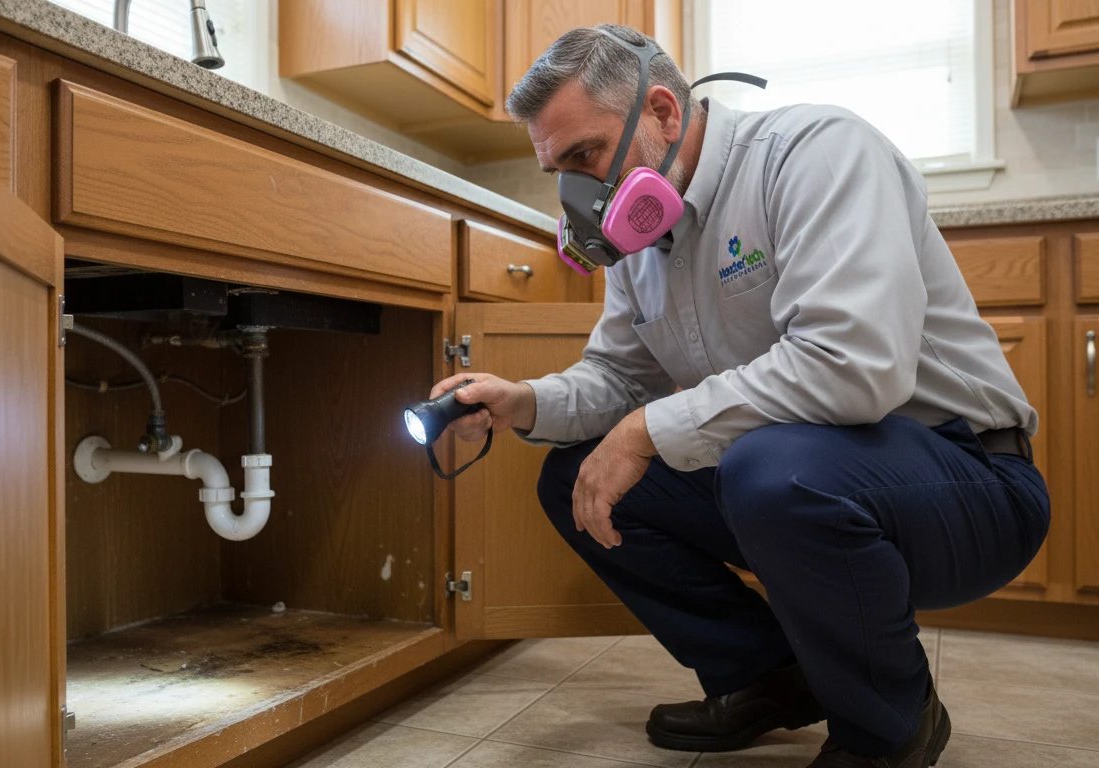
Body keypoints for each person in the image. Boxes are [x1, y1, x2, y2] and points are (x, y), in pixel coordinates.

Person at [426, 23, 1049, 768]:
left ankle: (889, 725)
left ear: (661, 111)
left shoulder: (816, 153)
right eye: (558, 169)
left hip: (969, 480)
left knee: (764, 467)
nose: (578, 194)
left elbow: (854, 366)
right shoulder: (636, 241)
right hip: (809, 474)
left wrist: (645, 430)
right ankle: (765, 675)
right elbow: (621, 378)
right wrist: (522, 400)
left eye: (585, 155)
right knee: (578, 477)